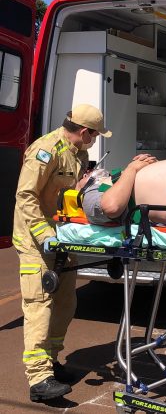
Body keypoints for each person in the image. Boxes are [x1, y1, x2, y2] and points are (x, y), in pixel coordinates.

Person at [13, 104, 112, 402]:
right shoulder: (46, 150)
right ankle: (39, 378)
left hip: (61, 239)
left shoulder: (78, 153)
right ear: (84, 131)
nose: (94, 140)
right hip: (35, 239)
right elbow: (25, 195)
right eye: (94, 135)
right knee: (39, 305)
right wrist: (44, 234)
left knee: (66, 302)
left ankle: (52, 361)